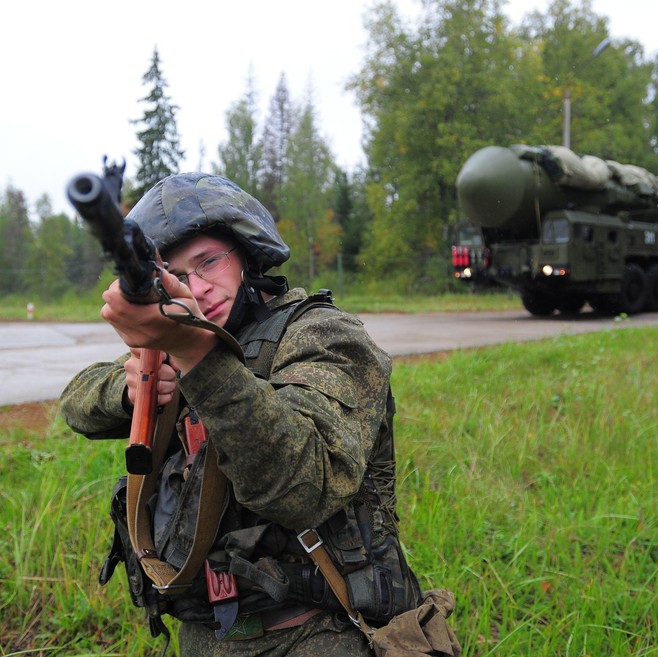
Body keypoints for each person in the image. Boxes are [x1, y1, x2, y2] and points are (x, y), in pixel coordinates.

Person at [60, 173, 422, 656]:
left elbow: (304, 485)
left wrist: (199, 360)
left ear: (247, 254)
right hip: (207, 632)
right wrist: (129, 392)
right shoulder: (177, 343)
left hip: (322, 629)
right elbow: (75, 403)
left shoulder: (324, 335)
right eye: (178, 275)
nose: (199, 287)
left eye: (208, 262)